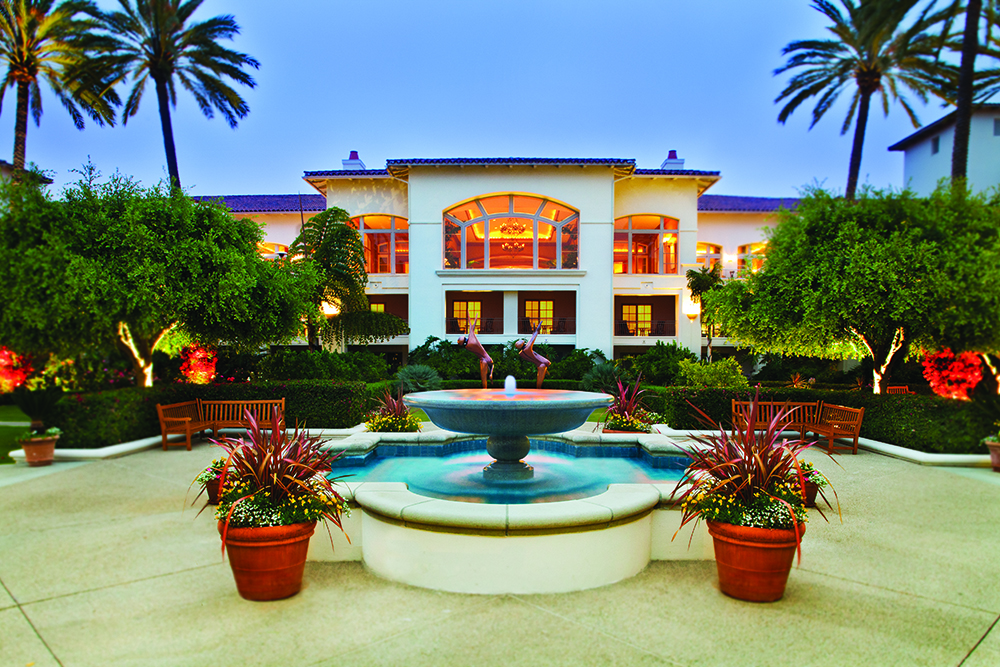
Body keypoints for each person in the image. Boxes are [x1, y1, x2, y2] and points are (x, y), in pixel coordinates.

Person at [456, 316, 493, 388]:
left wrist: (474, 321)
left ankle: (485, 389)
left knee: (484, 379)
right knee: (484, 379)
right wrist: (474, 321)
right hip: (485, 359)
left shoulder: (468, 346)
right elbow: (471, 332)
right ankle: (485, 389)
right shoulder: (471, 343)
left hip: (483, 360)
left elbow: (471, 332)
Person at [514, 322, 550, 389]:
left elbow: (530, 342)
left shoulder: (522, 352)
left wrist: (534, 333)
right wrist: (536, 332)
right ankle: (538, 390)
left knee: (539, 381)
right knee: (539, 384)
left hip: (541, 365)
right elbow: (532, 341)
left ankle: (538, 389)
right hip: (542, 365)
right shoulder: (527, 349)